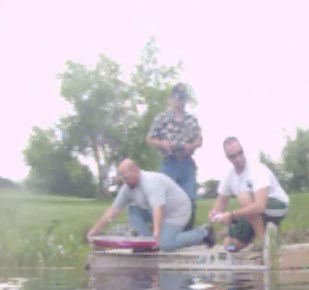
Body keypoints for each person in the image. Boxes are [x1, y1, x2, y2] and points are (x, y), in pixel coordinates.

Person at [86, 159, 215, 252]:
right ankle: (147, 244)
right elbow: (112, 211)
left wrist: (157, 235)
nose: (125, 181)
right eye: (123, 179)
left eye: (126, 177)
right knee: (133, 210)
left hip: (178, 212)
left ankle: (203, 233)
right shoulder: (127, 188)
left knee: (166, 245)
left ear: (135, 171)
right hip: (158, 211)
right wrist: (93, 232)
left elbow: (158, 208)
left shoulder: (150, 182)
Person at [208, 137, 289, 252]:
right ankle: (254, 240)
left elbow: (260, 206)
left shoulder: (257, 170)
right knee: (229, 245)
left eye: (240, 153)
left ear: (243, 150)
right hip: (253, 215)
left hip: (276, 206)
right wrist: (215, 214)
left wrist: (232, 215)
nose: (238, 158)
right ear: (228, 158)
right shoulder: (229, 177)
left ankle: (263, 241)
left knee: (244, 197)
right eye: (233, 156)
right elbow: (221, 203)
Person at [146, 83, 203, 229]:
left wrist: (192, 146)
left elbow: (199, 140)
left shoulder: (192, 119)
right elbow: (149, 139)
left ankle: (187, 233)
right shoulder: (162, 118)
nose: (180, 101)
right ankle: (162, 231)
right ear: (171, 98)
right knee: (163, 198)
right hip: (169, 163)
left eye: (183, 98)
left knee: (189, 199)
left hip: (187, 163)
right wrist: (162, 144)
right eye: (177, 98)